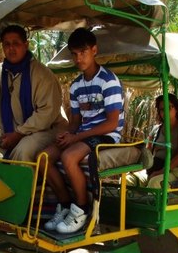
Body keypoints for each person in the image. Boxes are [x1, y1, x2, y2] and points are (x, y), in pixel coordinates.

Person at [41, 28, 125, 234]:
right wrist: (67, 134)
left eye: (83, 52)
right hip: (84, 134)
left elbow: (112, 123)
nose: (79, 58)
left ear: (94, 50)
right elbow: (75, 121)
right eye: (75, 54)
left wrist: (76, 138)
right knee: (44, 157)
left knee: (69, 157)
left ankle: (81, 209)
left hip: (106, 135)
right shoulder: (76, 86)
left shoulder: (109, 81)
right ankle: (65, 205)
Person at [0, 25, 67, 162]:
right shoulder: (0, 71)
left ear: (26, 45)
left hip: (46, 130)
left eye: (16, 43)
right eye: (7, 44)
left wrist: (18, 134)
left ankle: (27, 184)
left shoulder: (42, 74)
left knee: (22, 151)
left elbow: (46, 114)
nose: (11, 48)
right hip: (12, 132)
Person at [144, 93, 178, 188]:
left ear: (176, 109)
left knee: (155, 182)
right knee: (129, 179)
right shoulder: (156, 129)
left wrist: (161, 172)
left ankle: (147, 202)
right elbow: (148, 152)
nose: (165, 112)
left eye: (169, 107)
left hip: (176, 172)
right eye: (162, 109)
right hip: (155, 168)